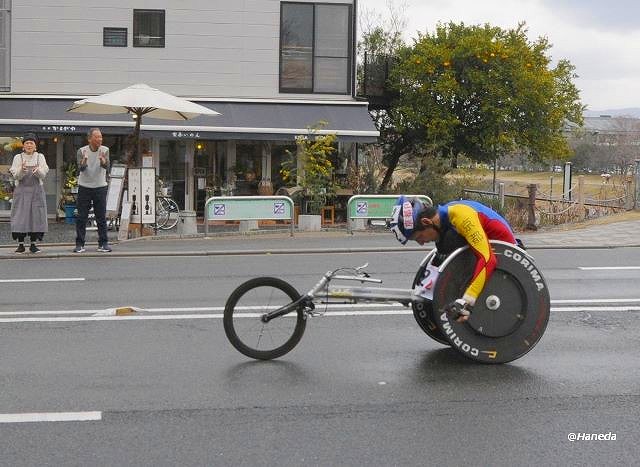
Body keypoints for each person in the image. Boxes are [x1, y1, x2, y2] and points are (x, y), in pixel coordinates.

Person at [390, 195, 519, 323]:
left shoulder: (462, 218)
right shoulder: (445, 216)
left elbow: (488, 260)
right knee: (444, 242)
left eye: (419, 237)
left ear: (426, 222)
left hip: (508, 258)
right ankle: (427, 290)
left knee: (449, 240)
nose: (421, 243)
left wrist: (467, 300)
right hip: (486, 248)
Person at [9, 133, 49, 253]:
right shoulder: (17, 158)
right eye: (27, 143)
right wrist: (22, 170)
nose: (29, 145)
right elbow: (16, 176)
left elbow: (44, 174)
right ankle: (20, 244)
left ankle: (33, 244)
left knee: (35, 217)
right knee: (20, 216)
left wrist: (37, 171)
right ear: (23, 146)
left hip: (37, 192)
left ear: (35, 146)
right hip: (21, 191)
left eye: (31, 143)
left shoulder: (40, 157)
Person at [74, 128, 111, 253]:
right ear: (89, 139)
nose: (99, 139)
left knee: (101, 216)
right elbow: (80, 169)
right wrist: (84, 161)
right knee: (81, 217)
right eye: (97, 137)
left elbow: (107, 167)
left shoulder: (105, 150)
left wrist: (103, 161)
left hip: (100, 186)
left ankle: (103, 243)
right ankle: (79, 244)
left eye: (100, 137)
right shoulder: (81, 151)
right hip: (84, 186)